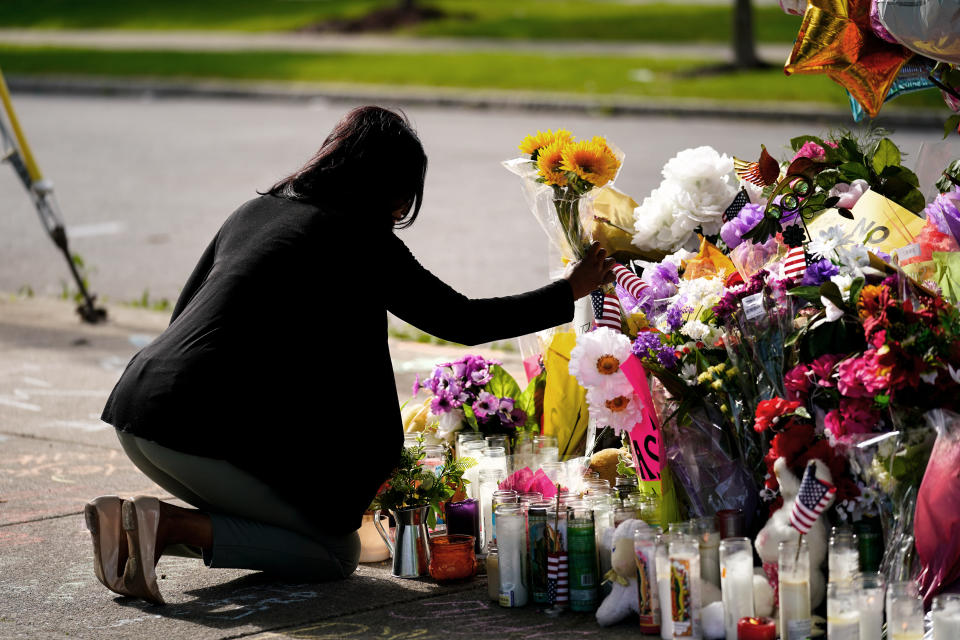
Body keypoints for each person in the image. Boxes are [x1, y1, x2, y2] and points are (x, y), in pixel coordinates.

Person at [86, 105, 615, 604]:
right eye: (404, 197)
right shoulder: (361, 239)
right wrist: (568, 289)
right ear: (390, 188)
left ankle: (132, 530)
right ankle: (168, 525)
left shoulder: (254, 211)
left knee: (290, 520)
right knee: (333, 551)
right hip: (193, 434)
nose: (401, 211)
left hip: (137, 413)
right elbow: (462, 320)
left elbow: (189, 318)